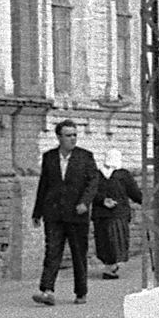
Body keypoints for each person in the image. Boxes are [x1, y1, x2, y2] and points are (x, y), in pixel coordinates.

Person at [31, 119, 99, 305]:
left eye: (75, 135)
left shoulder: (85, 157)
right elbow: (43, 185)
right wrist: (37, 212)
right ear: (59, 137)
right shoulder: (49, 157)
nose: (73, 139)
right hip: (54, 213)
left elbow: (93, 183)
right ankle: (47, 290)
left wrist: (85, 202)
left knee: (78, 253)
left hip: (77, 213)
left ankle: (81, 292)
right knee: (52, 251)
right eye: (68, 135)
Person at [93, 153, 143, 279]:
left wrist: (101, 200)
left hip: (101, 215)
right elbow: (134, 192)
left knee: (104, 241)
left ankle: (109, 266)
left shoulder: (96, 174)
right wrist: (144, 201)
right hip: (118, 214)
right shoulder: (123, 175)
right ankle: (111, 267)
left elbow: (90, 192)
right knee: (116, 241)